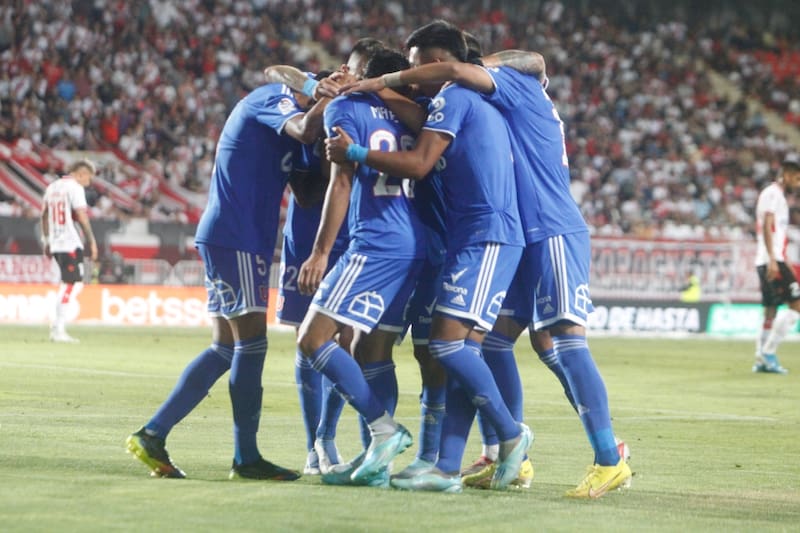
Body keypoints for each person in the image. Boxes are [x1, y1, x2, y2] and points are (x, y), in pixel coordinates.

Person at [327, 21, 532, 493]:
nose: (414, 74)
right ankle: (437, 464)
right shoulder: (444, 103)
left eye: (422, 64)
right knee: (443, 348)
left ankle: (504, 436)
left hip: (483, 235)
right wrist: (371, 90)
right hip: (461, 237)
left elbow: (420, 161)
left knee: (445, 348)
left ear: (445, 62)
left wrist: (356, 143)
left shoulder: (459, 97)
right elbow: (413, 117)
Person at [126, 73, 332, 480]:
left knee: (225, 347)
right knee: (251, 344)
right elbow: (304, 121)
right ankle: (246, 457)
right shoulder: (271, 98)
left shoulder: (299, 135)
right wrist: (334, 96)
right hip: (236, 233)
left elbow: (309, 194)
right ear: (311, 91)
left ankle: (154, 433)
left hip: (243, 238)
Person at [295, 47, 427, 487]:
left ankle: (383, 430)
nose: (341, 73)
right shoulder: (413, 114)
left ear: (361, 75)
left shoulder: (348, 106)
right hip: (417, 245)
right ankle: (378, 459)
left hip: (377, 243)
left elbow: (342, 182)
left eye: (348, 67)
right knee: (374, 352)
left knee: (313, 339)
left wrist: (319, 253)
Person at [263, 39, 386, 475]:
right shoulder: (325, 105)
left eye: (352, 70)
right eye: (342, 68)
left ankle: (327, 437)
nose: (342, 73)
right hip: (308, 232)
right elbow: (274, 71)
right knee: (307, 337)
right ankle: (313, 444)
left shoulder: (375, 113)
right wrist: (319, 88)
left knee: (346, 341)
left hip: (354, 236)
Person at [40, 158, 99, 343]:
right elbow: (82, 216)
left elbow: (44, 215)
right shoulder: (75, 187)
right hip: (69, 242)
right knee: (71, 285)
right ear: (81, 174)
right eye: (88, 178)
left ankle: (58, 327)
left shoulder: (52, 187)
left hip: (57, 242)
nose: (88, 183)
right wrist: (92, 242)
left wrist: (47, 241)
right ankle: (58, 329)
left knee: (72, 284)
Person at [753, 153, 800, 374]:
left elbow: (777, 232)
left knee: (770, 309)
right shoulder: (772, 194)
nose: (798, 184)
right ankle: (768, 352)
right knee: (796, 305)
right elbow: (767, 225)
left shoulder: (779, 197)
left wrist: (785, 261)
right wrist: (773, 260)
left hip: (774, 258)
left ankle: (760, 358)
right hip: (770, 259)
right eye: (798, 179)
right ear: (788, 175)